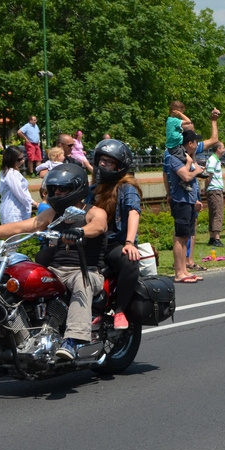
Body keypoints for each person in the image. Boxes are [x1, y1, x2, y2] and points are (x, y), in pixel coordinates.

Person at [0, 163, 108, 361]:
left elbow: (98, 226)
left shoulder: (93, 212)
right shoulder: (52, 214)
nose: (57, 192)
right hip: (56, 271)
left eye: (63, 189)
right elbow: (22, 227)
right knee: (19, 280)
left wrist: (80, 231)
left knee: (80, 282)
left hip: (87, 271)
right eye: (54, 189)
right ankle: (21, 334)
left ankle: (74, 339)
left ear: (77, 188)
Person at [90, 139, 142, 330]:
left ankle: (119, 310)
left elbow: (133, 212)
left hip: (114, 243)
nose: (103, 164)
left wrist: (129, 242)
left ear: (119, 166)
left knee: (129, 261)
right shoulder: (93, 189)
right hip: (92, 242)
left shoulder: (126, 187)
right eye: (101, 160)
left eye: (109, 161)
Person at [166, 129, 205, 283]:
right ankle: (179, 272)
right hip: (180, 201)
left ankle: (184, 270)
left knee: (186, 236)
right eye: (195, 141)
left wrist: (195, 199)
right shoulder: (175, 158)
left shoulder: (189, 158)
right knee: (180, 236)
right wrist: (195, 168)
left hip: (189, 200)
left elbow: (192, 181)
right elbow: (187, 176)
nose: (197, 144)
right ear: (190, 143)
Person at [0, 145, 39, 224]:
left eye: (23, 158)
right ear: (11, 160)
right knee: (14, 235)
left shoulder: (6, 172)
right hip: (13, 211)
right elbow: (19, 192)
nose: (22, 161)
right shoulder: (11, 173)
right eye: (19, 159)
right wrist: (33, 202)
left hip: (10, 210)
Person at [204, 141, 225, 248]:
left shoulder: (215, 160)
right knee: (218, 213)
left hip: (213, 189)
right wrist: (206, 188)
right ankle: (217, 238)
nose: (224, 149)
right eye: (223, 148)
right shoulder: (213, 160)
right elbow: (209, 176)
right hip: (215, 190)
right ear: (218, 149)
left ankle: (212, 237)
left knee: (213, 213)